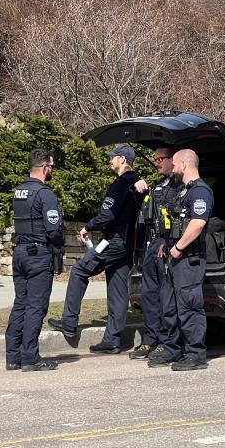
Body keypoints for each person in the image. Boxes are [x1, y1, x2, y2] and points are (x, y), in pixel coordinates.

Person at [48, 143, 143, 353]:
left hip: (113, 241)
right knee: (118, 290)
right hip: (128, 244)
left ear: (123, 160)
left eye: (113, 157)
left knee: (79, 270)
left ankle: (69, 322)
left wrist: (88, 226)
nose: (110, 160)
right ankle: (112, 340)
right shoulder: (137, 182)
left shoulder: (121, 184)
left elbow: (108, 215)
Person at [147, 148, 214, 371]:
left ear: (184, 164)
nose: (172, 168)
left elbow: (197, 224)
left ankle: (196, 354)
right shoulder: (183, 191)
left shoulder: (200, 192)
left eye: (174, 164)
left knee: (189, 306)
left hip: (189, 259)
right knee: (169, 306)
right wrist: (166, 245)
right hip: (174, 258)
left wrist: (177, 247)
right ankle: (172, 349)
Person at [5, 149, 64, 372]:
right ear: (44, 167)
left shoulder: (20, 191)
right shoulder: (45, 194)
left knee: (20, 303)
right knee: (35, 306)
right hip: (38, 254)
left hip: (20, 252)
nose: (52, 170)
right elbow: (53, 230)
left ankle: (13, 357)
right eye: (52, 166)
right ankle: (30, 358)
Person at [128, 146, 180, 360]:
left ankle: (167, 342)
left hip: (167, 244)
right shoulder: (157, 186)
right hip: (151, 245)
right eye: (155, 158)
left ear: (172, 160)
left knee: (166, 298)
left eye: (161, 158)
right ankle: (150, 340)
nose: (157, 162)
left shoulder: (181, 186)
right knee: (149, 296)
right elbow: (145, 213)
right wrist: (137, 191)